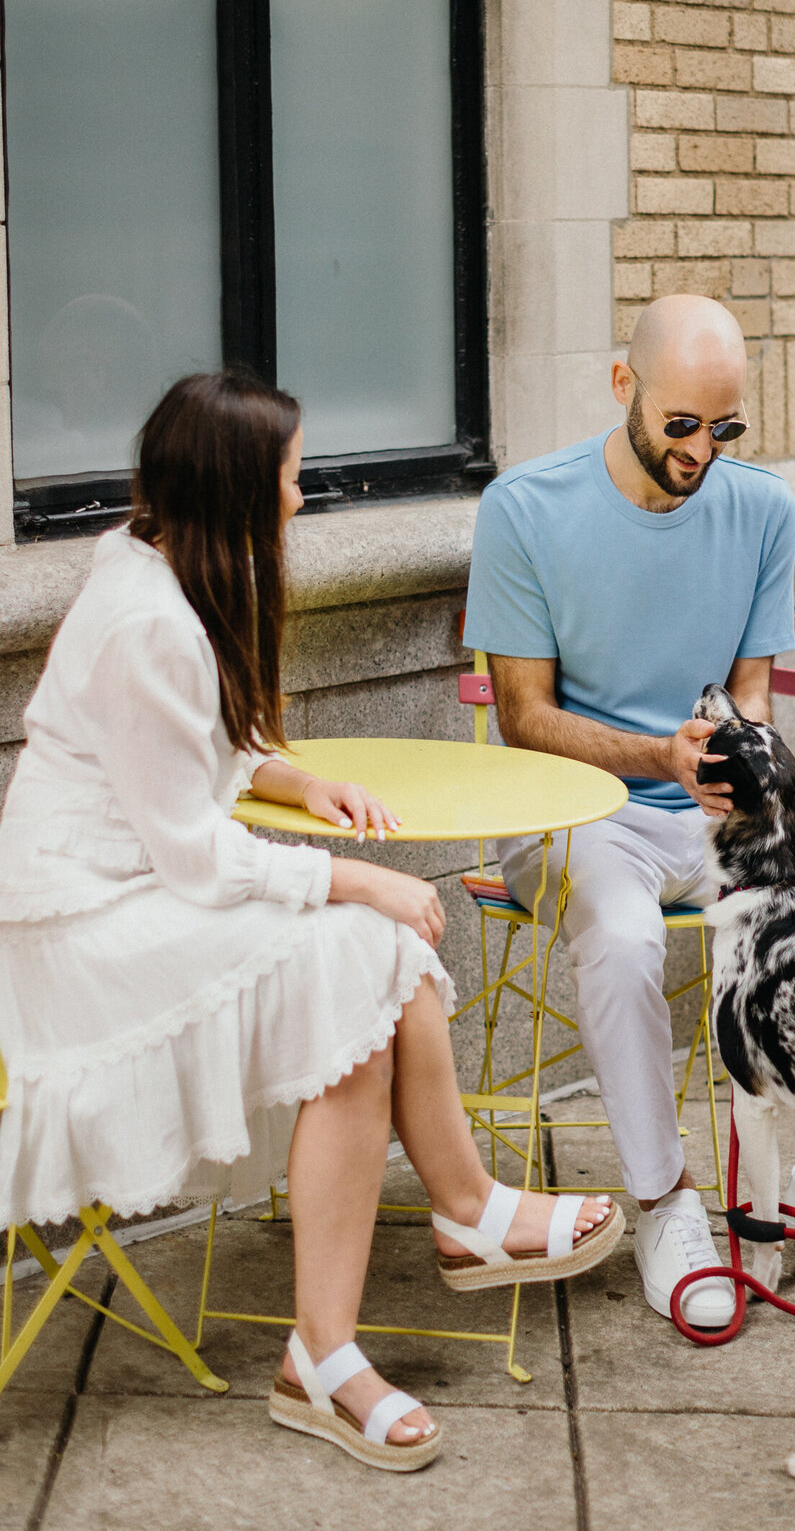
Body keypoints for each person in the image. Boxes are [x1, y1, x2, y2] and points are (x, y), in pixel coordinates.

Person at [0, 370, 621, 1474]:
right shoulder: (146, 617)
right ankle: (380, 1302)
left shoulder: (160, 565)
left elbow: (193, 754)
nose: (301, 497)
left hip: (132, 880)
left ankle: (380, 1301)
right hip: (81, 923)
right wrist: (353, 877)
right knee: (365, 941)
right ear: (237, 490)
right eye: (288, 478)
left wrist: (286, 779)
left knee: (368, 962)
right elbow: (191, 852)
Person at [463, 296, 795, 1329]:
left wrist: (743, 769)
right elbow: (522, 716)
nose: (701, 451)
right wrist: (657, 754)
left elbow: (754, 695)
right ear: (622, 387)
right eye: (680, 425)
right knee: (625, 937)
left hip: (721, 814)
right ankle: (664, 1204)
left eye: (723, 428)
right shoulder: (524, 508)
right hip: (580, 810)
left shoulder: (762, 510)